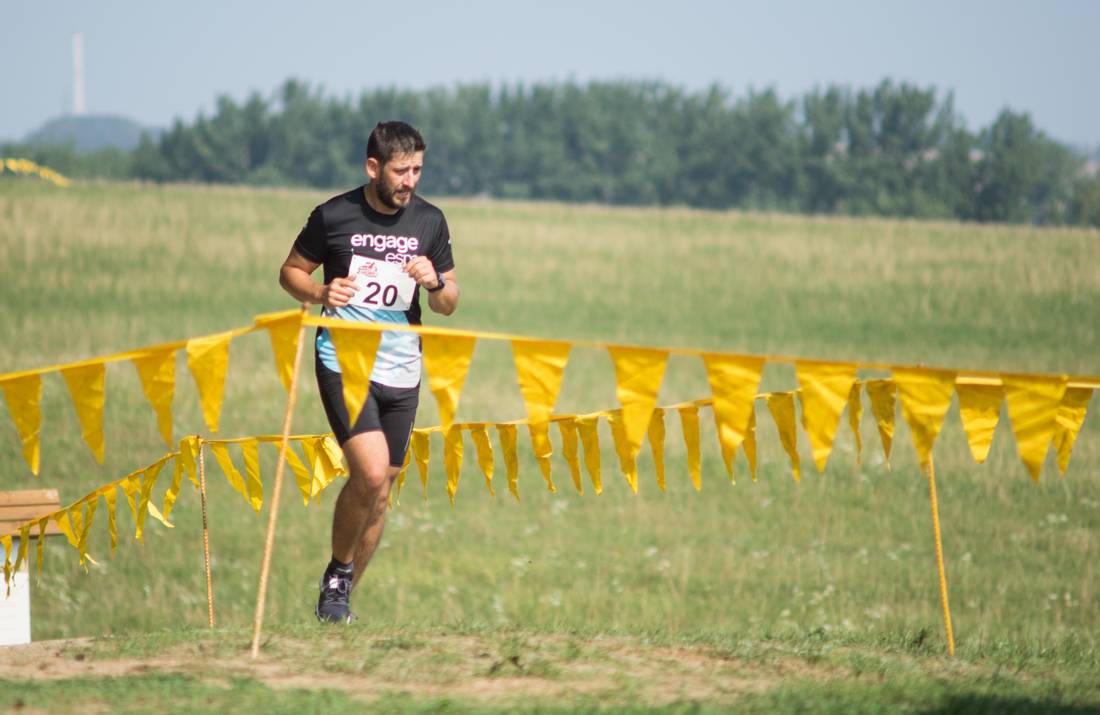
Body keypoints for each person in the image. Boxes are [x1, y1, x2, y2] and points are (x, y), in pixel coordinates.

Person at [278, 121, 459, 623]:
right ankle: (338, 570)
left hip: (403, 368)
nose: (410, 181)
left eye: (417, 170)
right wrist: (319, 292)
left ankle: (338, 601)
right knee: (371, 471)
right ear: (373, 167)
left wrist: (435, 281)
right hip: (344, 361)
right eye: (401, 171)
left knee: (380, 492)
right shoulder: (333, 215)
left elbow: (448, 302)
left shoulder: (430, 221)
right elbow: (290, 272)